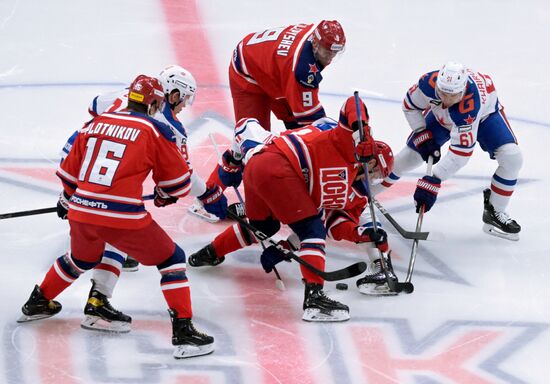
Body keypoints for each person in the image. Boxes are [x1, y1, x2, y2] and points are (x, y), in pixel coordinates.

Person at [18, 75, 214, 359]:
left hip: (81, 211)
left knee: (81, 258)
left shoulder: (97, 122)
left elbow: (69, 174)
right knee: (172, 259)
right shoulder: (155, 129)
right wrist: (165, 194)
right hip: (122, 215)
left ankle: (38, 301)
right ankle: (184, 332)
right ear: (155, 102)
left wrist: (70, 199)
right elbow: (179, 183)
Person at [58, 65, 229, 333]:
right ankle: (103, 299)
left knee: (105, 229)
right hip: (103, 179)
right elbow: (181, 177)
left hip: (81, 158)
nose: (184, 106)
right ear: (171, 95)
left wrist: (68, 194)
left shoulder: (125, 95)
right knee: (120, 227)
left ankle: (63, 296)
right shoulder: (165, 126)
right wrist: (208, 193)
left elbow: (94, 107)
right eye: (184, 99)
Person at [190, 96, 391, 322]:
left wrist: (359, 234)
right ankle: (314, 299)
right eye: (374, 171)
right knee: (311, 231)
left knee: (263, 226)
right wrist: (358, 130)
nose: (371, 178)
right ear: (371, 157)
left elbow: (331, 222)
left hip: (261, 170)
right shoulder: (349, 143)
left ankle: (210, 253)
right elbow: (354, 103)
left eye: (375, 177)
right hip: (279, 167)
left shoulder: (346, 180)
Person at [373, 61, 523, 241]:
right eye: (442, 93)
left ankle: (495, 210)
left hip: (484, 118)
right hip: (440, 118)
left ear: (463, 90)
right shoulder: (427, 84)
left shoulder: (469, 105)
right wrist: (421, 133)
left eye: (452, 95)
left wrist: (434, 180)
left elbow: (461, 154)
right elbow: (410, 106)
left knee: (512, 158)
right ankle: (367, 192)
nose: (446, 100)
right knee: (410, 157)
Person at [229, 20, 346, 131]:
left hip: (275, 70)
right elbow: (312, 120)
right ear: (315, 44)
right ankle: (237, 152)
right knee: (253, 135)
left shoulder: (316, 36)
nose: (330, 57)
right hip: (247, 70)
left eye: (335, 52)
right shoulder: (303, 68)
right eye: (327, 52)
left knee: (295, 118)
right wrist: (343, 135)